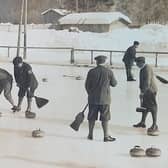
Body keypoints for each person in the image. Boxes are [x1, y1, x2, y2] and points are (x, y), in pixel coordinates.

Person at [85, 55, 117, 142]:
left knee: (91, 117)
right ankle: (106, 136)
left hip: (93, 99)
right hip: (105, 100)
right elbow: (114, 84)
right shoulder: (109, 71)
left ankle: (90, 134)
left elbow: (87, 86)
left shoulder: (91, 71)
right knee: (105, 118)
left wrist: (90, 94)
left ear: (97, 62)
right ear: (105, 62)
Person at [133, 56, 158, 132]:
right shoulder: (143, 68)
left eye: (137, 63)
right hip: (146, 91)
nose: (136, 64)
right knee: (145, 107)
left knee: (153, 108)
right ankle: (142, 122)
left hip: (150, 91)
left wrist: (143, 92)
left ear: (141, 62)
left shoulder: (147, 69)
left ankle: (154, 125)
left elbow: (147, 82)